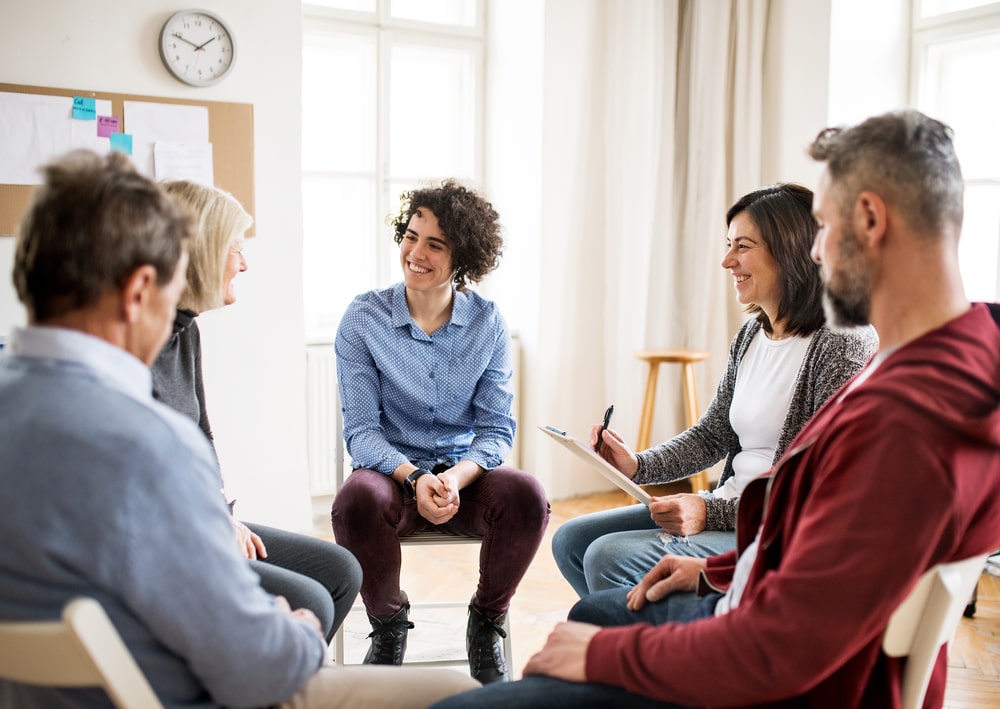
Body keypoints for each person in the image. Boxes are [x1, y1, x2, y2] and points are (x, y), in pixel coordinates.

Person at [429, 109, 1000, 708]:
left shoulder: (904, 423)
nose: (819, 250)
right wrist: (715, 573)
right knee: (597, 602)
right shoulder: (946, 360)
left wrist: (602, 657)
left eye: (825, 227)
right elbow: (828, 564)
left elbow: (783, 649)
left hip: (771, 681)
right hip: (753, 610)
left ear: (870, 220)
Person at [0, 150, 480, 709]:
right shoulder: (149, 446)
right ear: (137, 294)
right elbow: (258, 667)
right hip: (190, 692)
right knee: (458, 692)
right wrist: (296, 626)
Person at [553, 183, 877, 598]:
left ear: (791, 250)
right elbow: (713, 435)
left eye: (742, 246)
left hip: (778, 529)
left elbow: (818, 487)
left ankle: (670, 650)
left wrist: (709, 510)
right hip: (730, 506)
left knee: (607, 557)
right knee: (571, 541)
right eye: (728, 245)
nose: (727, 261)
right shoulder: (752, 334)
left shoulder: (843, 342)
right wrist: (636, 465)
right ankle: (665, 641)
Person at [331, 180, 551, 683]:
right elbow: (363, 433)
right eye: (412, 236)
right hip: (392, 479)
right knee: (355, 499)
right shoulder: (364, 318)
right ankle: (388, 627)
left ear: (464, 257)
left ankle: (486, 623)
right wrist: (413, 478)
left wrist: (455, 478)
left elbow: (496, 429)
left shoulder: (488, 323)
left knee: (527, 495)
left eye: (436, 244)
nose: (416, 253)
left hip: (463, 485)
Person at [151, 179, 362, 644]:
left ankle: (282, 684)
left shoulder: (186, 332)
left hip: (202, 518)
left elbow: (201, 436)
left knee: (342, 570)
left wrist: (222, 514)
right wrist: (212, 523)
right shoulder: (136, 341)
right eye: (235, 248)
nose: (244, 263)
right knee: (312, 601)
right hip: (171, 537)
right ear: (202, 250)